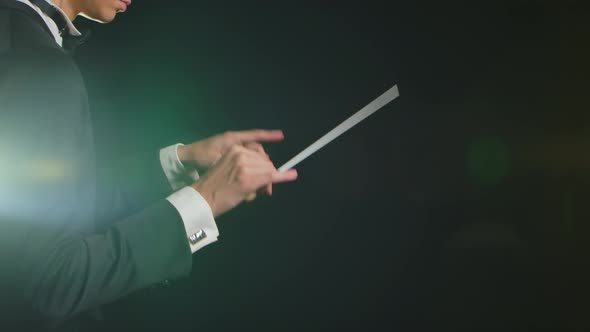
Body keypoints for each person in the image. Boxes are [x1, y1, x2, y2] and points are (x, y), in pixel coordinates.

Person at [0, 0, 299, 330]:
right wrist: (205, 199)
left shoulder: (15, 41)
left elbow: (29, 214)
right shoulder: (41, 67)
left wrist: (179, 164)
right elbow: (51, 284)